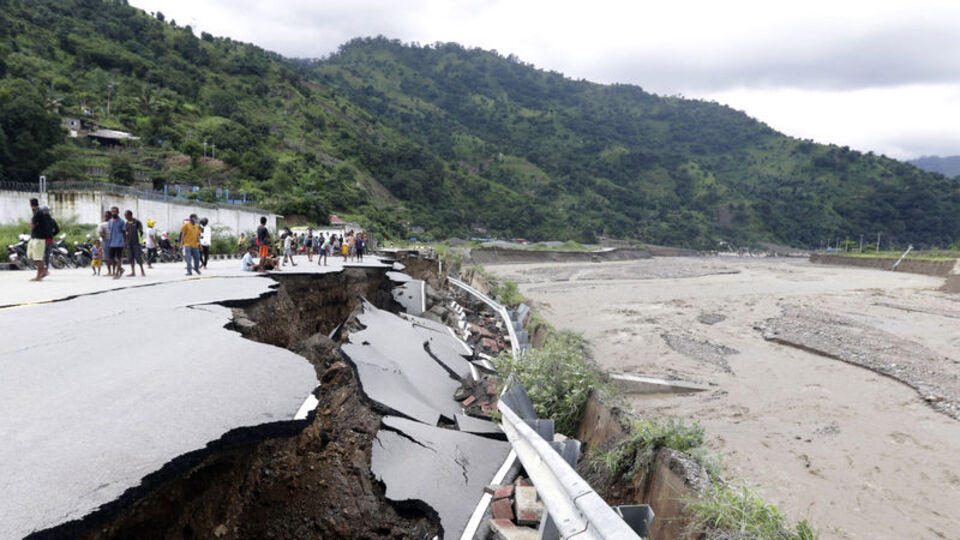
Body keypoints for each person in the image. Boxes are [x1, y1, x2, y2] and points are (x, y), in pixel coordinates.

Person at [27, 198, 48, 281]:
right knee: (31, 255)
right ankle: (43, 271)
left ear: (31, 205)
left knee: (38, 258)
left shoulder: (38, 213)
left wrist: (32, 224)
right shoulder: (37, 212)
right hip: (35, 238)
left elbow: (32, 226)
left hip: (38, 239)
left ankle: (38, 276)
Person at [124, 210, 145, 277]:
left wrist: (139, 239)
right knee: (131, 258)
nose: (125, 217)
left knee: (138, 257)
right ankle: (133, 272)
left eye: (126, 216)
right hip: (129, 243)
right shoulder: (126, 223)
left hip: (136, 243)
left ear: (130, 215)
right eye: (125, 216)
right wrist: (125, 242)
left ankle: (142, 270)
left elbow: (141, 232)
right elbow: (125, 233)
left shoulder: (137, 222)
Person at [107, 206, 126, 279]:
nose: (114, 213)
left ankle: (117, 273)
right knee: (110, 258)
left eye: (115, 211)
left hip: (119, 242)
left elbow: (124, 232)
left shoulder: (121, 221)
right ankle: (120, 268)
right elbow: (110, 231)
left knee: (119, 258)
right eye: (112, 211)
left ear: (118, 212)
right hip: (112, 242)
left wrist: (125, 242)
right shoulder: (110, 221)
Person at [98, 210, 114, 276]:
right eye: (105, 215)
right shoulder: (114, 223)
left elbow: (100, 234)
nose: (106, 217)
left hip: (106, 241)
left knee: (107, 257)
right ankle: (113, 271)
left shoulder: (102, 224)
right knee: (112, 257)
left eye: (106, 216)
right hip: (113, 241)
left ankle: (110, 272)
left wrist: (104, 235)